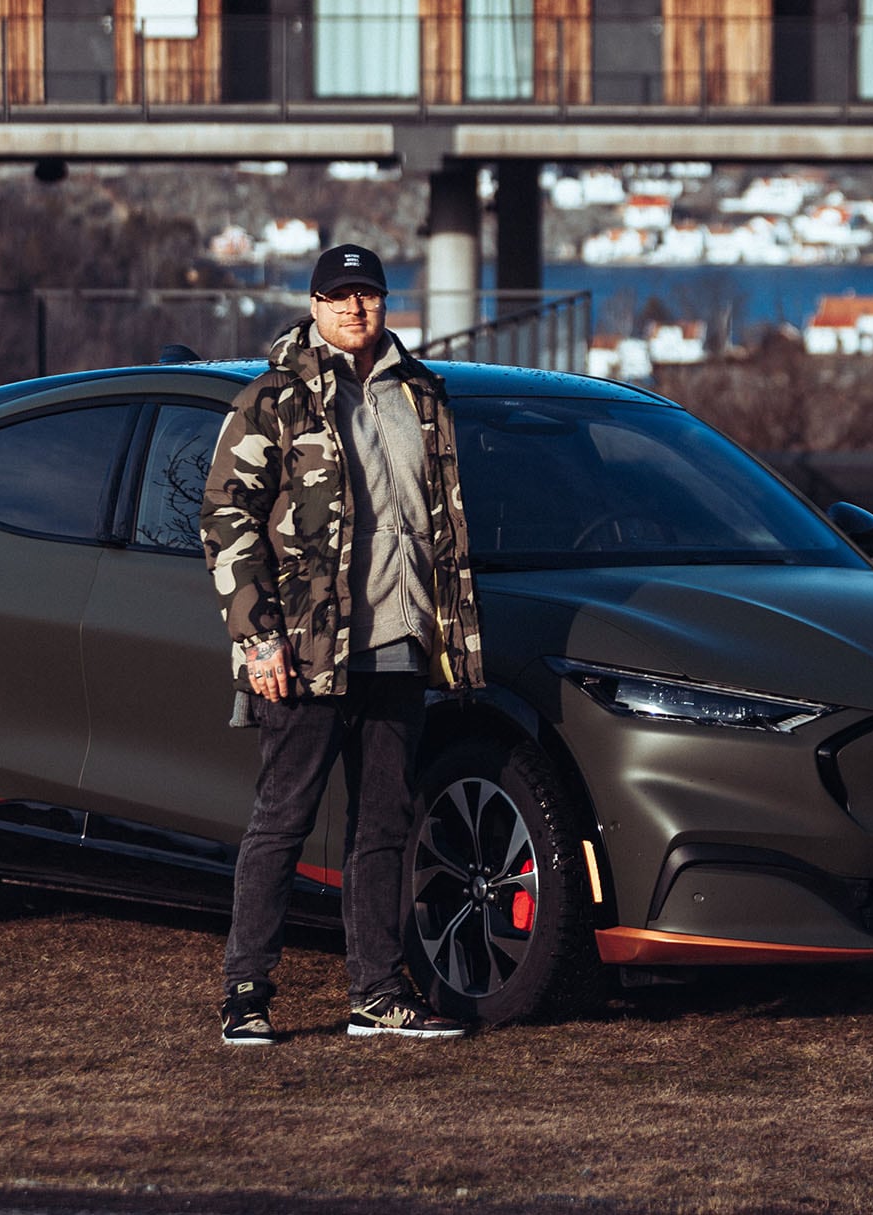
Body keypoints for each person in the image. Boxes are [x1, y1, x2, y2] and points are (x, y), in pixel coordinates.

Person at [199, 243, 486, 1045]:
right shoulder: (275, 399)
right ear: (315, 304)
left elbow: (445, 524)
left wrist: (452, 637)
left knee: (383, 823)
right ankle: (246, 993)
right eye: (339, 296)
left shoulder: (422, 395)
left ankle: (377, 993)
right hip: (306, 648)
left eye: (368, 294)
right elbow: (226, 519)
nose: (355, 308)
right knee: (283, 818)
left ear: (385, 302)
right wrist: (258, 638)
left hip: (400, 637)